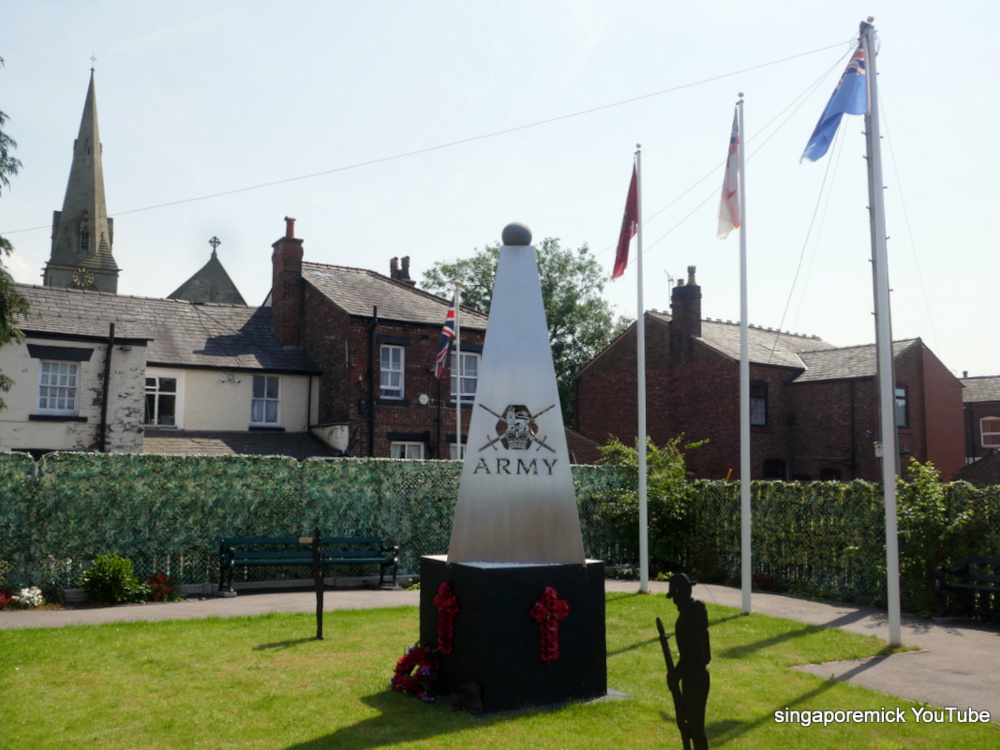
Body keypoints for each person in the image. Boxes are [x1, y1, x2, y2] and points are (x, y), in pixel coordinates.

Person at [667, 573, 710, 750]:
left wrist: (675, 676)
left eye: (675, 598)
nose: (675, 603)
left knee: (695, 727)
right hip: (698, 676)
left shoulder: (685, 621)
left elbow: (689, 655)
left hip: (694, 678)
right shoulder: (698, 611)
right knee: (693, 726)